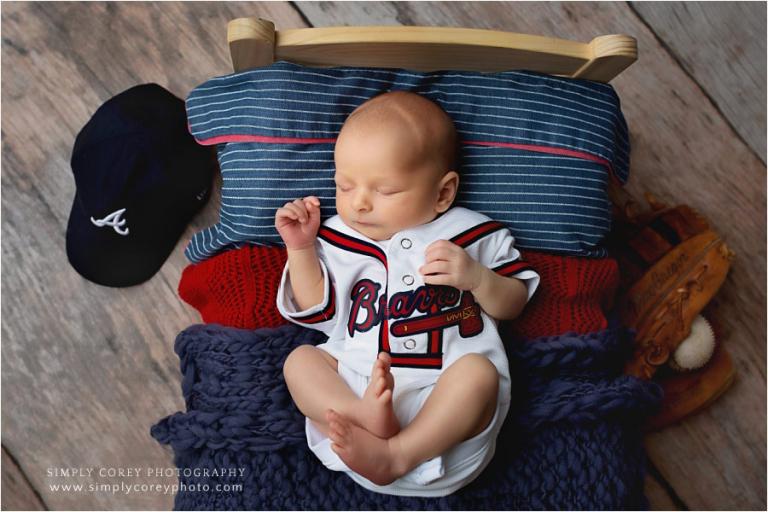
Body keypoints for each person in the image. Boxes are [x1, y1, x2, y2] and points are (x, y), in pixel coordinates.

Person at [275, 91, 539, 497]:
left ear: (442, 194)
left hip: (444, 409)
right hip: (355, 406)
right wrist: (300, 248)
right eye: (344, 186)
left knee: (479, 374)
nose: (359, 204)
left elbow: (515, 302)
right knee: (300, 360)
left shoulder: (472, 234)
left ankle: (398, 453)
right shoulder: (337, 239)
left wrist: (478, 279)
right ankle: (360, 415)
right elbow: (316, 311)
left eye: (385, 191)